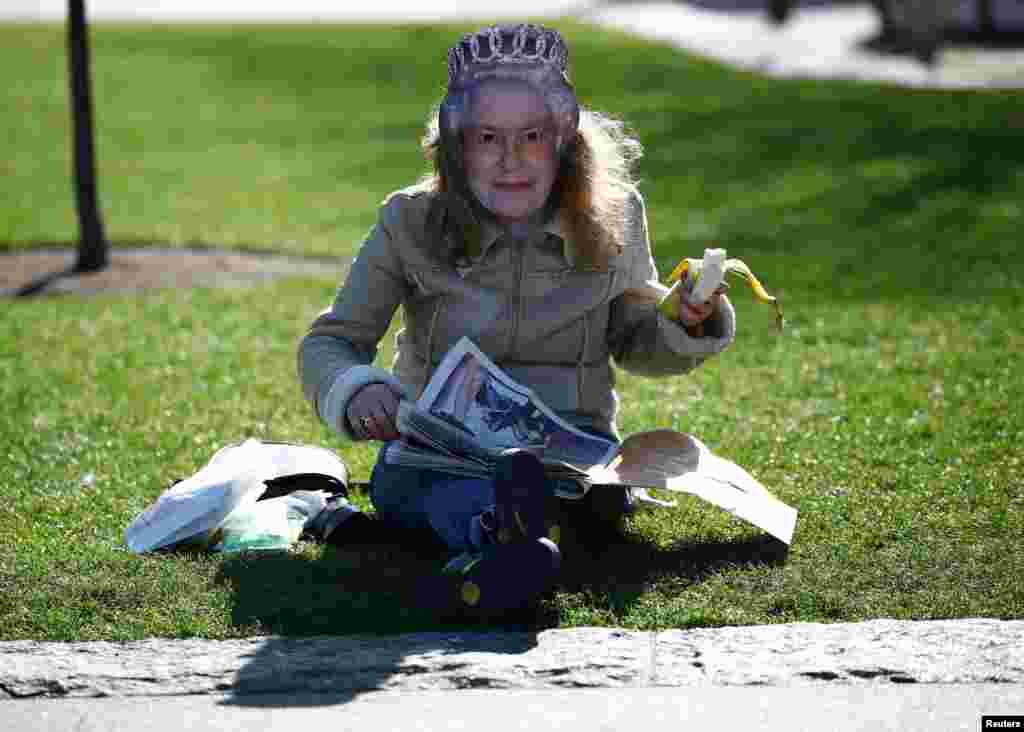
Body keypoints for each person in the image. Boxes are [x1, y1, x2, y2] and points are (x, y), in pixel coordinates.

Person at [297, 23, 735, 618]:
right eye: (487, 138)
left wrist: (686, 320)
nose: (511, 160)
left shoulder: (617, 214)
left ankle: (505, 550)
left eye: (532, 136)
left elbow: (636, 342)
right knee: (442, 491)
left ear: (563, 138)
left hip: (574, 460)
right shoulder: (408, 221)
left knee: (586, 500)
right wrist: (358, 390)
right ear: (456, 146)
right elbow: (331, 344)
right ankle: (508, 542)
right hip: (437, 456)